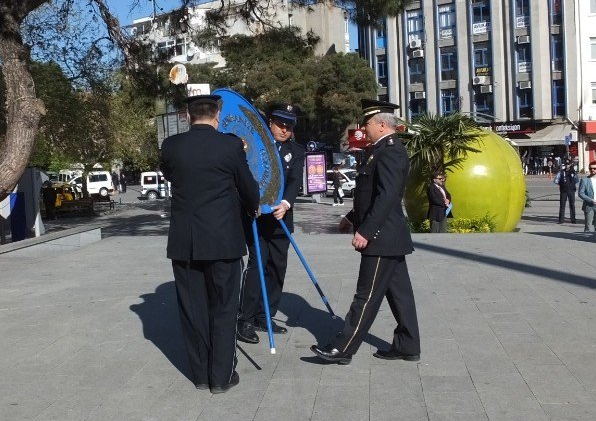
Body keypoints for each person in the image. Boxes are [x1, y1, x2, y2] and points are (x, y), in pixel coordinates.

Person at [161, 94, 260, 393]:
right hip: (222, 239)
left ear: (188, 117)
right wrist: (251, 205)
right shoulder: (230, 145)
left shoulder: (171, 146)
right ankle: (221, 376)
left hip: (185, 241)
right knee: (224, 306)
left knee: (193, 310)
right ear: (216, 115)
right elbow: (248, 188)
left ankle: (201, 375)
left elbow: (172, 176)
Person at [311, 99, 420, 364]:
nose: (363, 128)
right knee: (400, 295)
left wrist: (367, 231)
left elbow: (388, 196)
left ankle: (342, 348)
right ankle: (408, 345)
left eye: (367, 123)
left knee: (366, 296)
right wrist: (351, 217)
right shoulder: (379, 149)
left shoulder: (391, 151)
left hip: (382, 236)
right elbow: (369, 195)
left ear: (382, 124)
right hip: (389, 236)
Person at [237, 103, 305, 345]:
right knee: (257, 265)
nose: (284, 130)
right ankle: (244, 319)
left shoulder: (296, 151)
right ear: (270, 123)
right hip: (256, 217)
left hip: (280, 217)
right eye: (280, 124)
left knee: (278, 266)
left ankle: (265, 316)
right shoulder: (254, 146)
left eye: (289, 126)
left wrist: (286, 202)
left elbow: (295, 180)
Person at [578, 161, 596, 232]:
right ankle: (586, 241)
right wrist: (590, 200)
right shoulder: (584, 180)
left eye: (594, 168)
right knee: (588, 227)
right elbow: (580, 193)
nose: (592, 170)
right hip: (589, 206)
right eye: (590, 168)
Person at [555, 159, 579, 224]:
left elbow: (577, 180)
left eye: (568, 164)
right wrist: (562, 183)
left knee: (572, 205)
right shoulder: (561, 172)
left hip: (571, 191)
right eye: (565, 164)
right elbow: (556, 180)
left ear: (570, 165)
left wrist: (573, 175)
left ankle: (573, 219)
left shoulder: (573, 172)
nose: (567, 166)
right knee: (562, 205)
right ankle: (561, 220)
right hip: (563, 191)